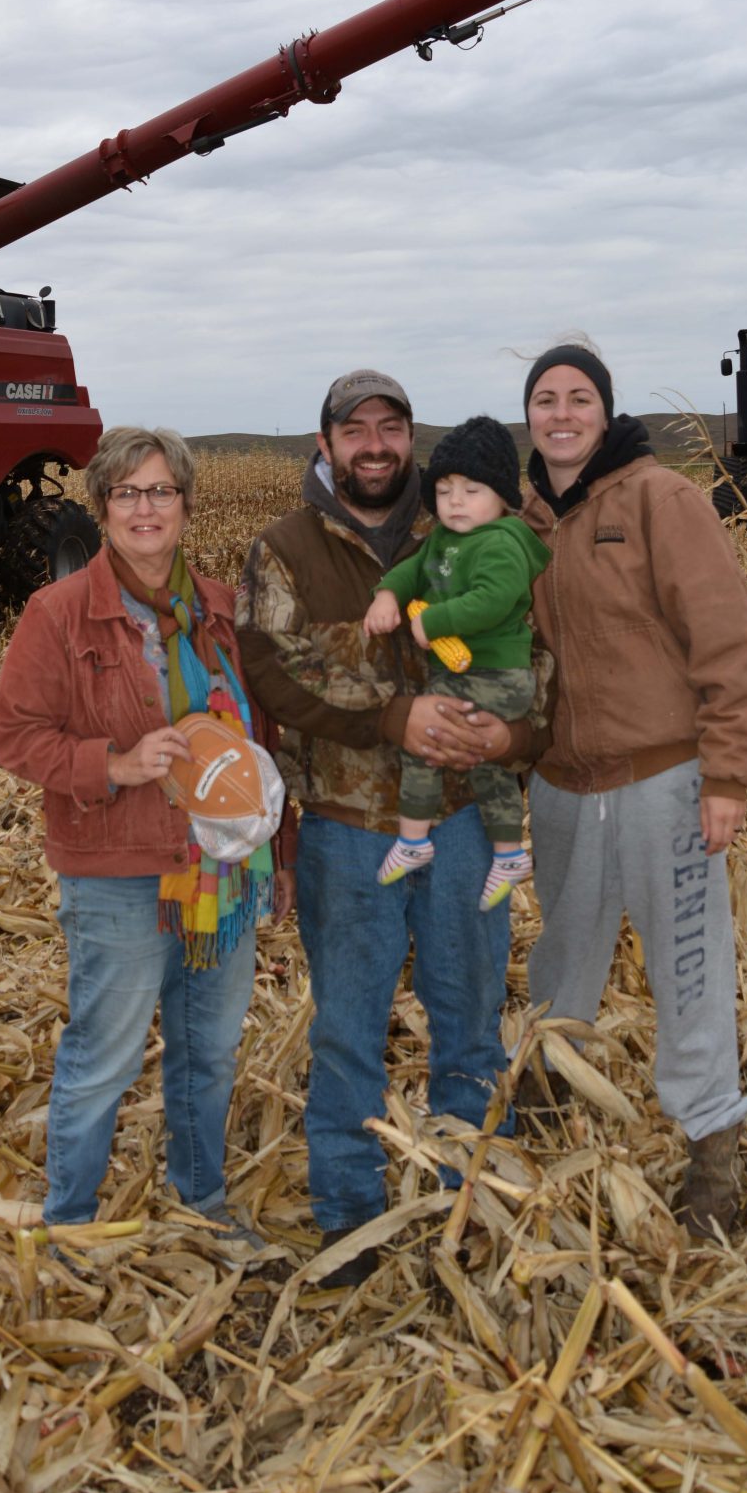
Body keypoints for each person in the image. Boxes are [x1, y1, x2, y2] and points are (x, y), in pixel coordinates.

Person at [236, 370, 543, 1284]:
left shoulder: (471, 526)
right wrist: (390, 719)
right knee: (347, 1032)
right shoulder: (285, 550)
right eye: (353, 429)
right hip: (344, 830)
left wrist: (514, 730)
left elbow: (536, 654)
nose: (374, 444)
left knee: (471, 1023)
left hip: (461, 824)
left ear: (411, 438)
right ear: (324, 443)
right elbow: (271, 673)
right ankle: (350, 1216)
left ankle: (470, 1204)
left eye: (391, 427)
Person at [0, 426, 296, 1252]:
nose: (145, 508)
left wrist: (282, 855)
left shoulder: (221, 610)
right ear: (101, 508)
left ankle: (201, 1204)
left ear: (188, 506)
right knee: (103, 1059)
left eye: (160, 491)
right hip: (120, 876)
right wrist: (114, 764)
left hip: (220, 876)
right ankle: (71, 1227)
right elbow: (14, 735)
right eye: (127, 493)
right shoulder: (60, 613)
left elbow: (262, 743)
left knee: (208, 1058)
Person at [519, 337, 747, 1239]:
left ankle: (712, 1145)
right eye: (544, 399)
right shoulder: (518, 522)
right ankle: (550, 1086)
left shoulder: (658, 499)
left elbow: (727, 641)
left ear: (604, 409)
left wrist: (727, 775)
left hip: (665, 778)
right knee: (563, 953)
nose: (560, 413)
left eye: (576, 397)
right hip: (561, 785)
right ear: (529, 416)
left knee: (687, 966)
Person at [363, 415, 549, 909]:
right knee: (486, 762)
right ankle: (509, 853)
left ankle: (413, 840)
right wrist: (387, 596)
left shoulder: (502, 543)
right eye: (444, 491)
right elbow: (412, 570)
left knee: (429, 734)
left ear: (503, 497)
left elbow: (492, 599)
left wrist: (435, 621)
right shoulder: (445, 540)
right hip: (471, 674)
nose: (455, 502)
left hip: (500, 676)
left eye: (471, 489)